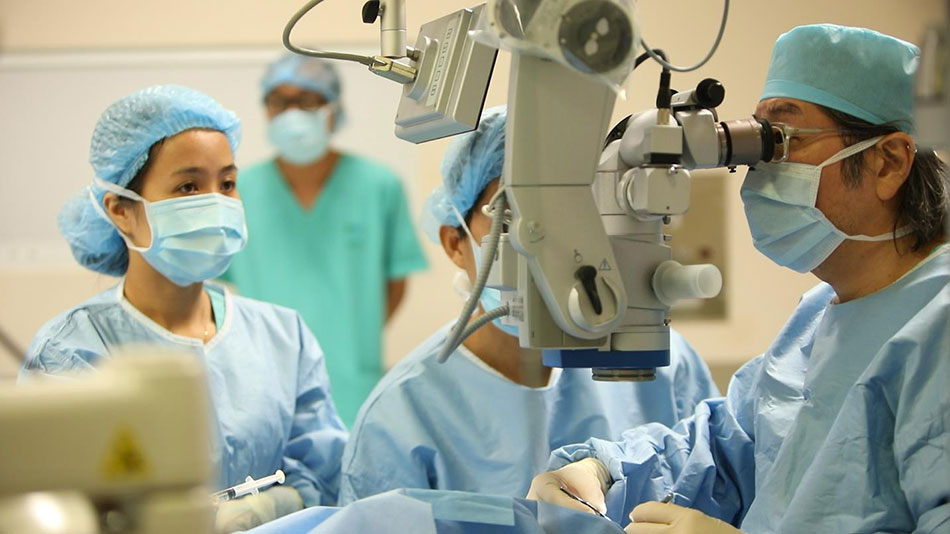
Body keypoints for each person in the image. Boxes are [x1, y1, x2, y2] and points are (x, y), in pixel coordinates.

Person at [526, 24, 950, 534]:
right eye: (758, 140)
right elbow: (719, 455)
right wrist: (603, 472)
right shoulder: (816, 321)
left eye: (783, 140)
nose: (762, 169)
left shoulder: (937, 329)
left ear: (889, 162)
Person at [338, 106, 721, 505]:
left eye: (579, 217)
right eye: (514, 222)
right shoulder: (401, 418)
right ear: (456, 243)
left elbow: (718, 491)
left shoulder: (664, 366)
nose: (552, 247)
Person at [19, 85, 348, 533]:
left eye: (227, 183)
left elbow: (324, 477)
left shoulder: (281, 334)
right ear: (120, 210)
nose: (216, 203)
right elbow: (54, 509)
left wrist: (269, 508)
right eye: (188, 186)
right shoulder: (71, 353)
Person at [219, 54, 428, 426]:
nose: (292, 112)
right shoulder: (239, 190)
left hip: (351, 380)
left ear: (333, 107)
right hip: (264, 380)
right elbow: (231, 289)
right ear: (266, 109)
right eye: (280, 101)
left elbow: (395, 284)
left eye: (308, 99)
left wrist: (351, 337)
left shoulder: (378, 185)